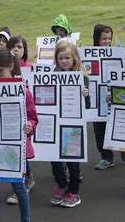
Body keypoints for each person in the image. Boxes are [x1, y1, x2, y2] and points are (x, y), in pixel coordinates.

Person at [0, 47, 38, 221]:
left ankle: (26, 219)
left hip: (15, 145)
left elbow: (33, 117)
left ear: (10, 66)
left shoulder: (23, 90)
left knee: (19, 186)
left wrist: (30, 125)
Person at [50, 40, 90, 207]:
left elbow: (87, 107)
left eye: (67, 58)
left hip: (73, 125)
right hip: (56, 123)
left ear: (74, 58)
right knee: (54, 157)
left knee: (73, 158)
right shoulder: (53, 75)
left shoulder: (82, 78)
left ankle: (74, 190)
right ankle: (61, 184)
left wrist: (84, 95)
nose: (64, 61)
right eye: (61, 58)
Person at [92, 25, 125, 170]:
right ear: (97, 38)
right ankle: (106, 158)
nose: (107, 42)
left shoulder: (117, 52)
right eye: (104, 38)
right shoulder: (89, 54)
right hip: (98, 97)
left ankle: (124, 147)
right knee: (99, 129)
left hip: (116, 94)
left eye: (109, 38)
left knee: (119, 123)